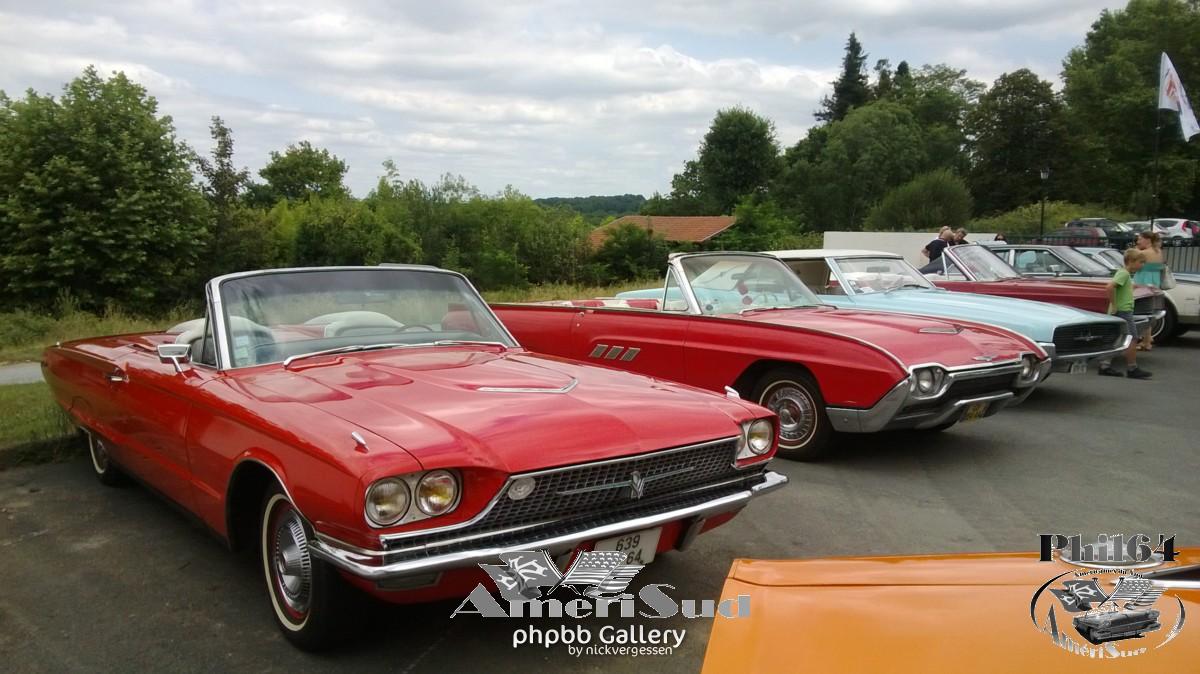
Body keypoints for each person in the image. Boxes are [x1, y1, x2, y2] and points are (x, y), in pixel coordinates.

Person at [1097, 248, 1152, 379]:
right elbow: (1109, 287)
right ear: (1131, 261)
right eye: (1140, 262)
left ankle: (1104, 365)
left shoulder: (1125, 274)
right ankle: (1132, 368)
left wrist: (1132, 287)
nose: (1142, 265)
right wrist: (1115, 304)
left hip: (1122, 310)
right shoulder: (1124, 274)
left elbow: (1120, 288)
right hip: (1123, 311)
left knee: (1116, 337)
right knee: (1132, 338)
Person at [1132, 231, 1165, 350]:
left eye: (1140, 239)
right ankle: (1147, 339)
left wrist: (1136, 249)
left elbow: (1132, 263)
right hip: (1154, 283)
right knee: (1148, 312)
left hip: (1142, 283)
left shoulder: (1143, 253)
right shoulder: (1158, 251)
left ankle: (1146, 341)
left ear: (1147, 240)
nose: (1138, 241)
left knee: (1140, 313)